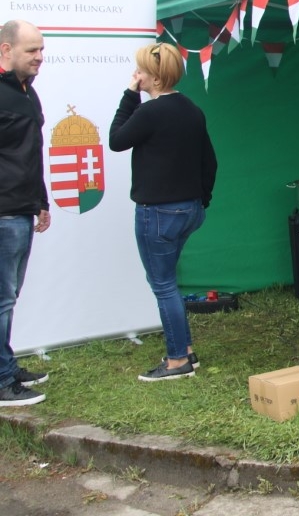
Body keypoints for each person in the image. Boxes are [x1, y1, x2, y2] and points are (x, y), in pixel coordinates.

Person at [110, 43, 217, 382]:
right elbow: (209, 160)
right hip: (189, 210)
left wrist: (129, 95)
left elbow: (116, 139)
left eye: (140, 71)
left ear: (154, 78)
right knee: (168, 281)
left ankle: (176, 361)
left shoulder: (149, 112)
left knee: (164, 284)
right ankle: (184, 351)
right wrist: (202, 200)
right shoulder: (192, 109)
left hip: (157, 212)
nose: (136, 75)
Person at [0, 20, 51, 407]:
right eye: (31, 50)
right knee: (2, 298)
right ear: (5, 50)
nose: (39, 57)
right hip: (3, 212)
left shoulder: (27, 93)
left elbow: (29, 155)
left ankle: (6, 364)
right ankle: (2, 381)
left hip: (22, 208)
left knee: (8, 296)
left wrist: (42, 201)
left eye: (41, 50)